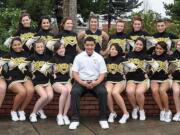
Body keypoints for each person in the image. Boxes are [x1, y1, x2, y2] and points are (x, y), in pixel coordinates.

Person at [69, 37, 109, 129]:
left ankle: (103, 119)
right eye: (87, 45)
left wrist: (96, 82)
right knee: (74, 92)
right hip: (81, 82)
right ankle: (75, 119)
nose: (89, 47)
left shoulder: (99, 57)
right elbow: (74, 73)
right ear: (84, 45)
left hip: (96, 82)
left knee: (103, 92)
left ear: (95, 45)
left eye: (91, 45)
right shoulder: (78, 57)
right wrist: (82, 83)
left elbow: (102, 73)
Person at [4, 37, 34, 121]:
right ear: (11, 46)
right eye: (15, 45)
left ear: (21, 44)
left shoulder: (27, 54)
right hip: (13, 79)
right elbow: (3, 68)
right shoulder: (8, 55)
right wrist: (6, 76)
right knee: (22, 92)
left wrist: (31, 75)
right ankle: (13, 111)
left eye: (19, 44)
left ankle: (21, 110)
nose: (17, 46)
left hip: (24, 77)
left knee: (31, 90)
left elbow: (31, 67)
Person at [125, 37, 151, 121]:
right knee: (130, 91)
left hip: (142, 79)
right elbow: (125, 67)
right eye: (137, 44)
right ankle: (135, 108)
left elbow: (154, 67)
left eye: (140, 45)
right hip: (131, 78)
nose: (138, 46)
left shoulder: (146, 56)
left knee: (139, 92)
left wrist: (148, 74)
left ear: (143, 46)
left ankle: (141, 110)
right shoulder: (129, 55)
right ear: (134, 44)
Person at [29, 39, 54, 122]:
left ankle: (39, 109)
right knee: (44, 96)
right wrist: (31, 75)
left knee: (50, 96)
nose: (40, 48)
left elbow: (51, 69)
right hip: (37, 81)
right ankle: (33, 114)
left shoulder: (48, 57)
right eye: (38, 47)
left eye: (42, 47)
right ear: (35, 48)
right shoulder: (32, 57)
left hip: (46, 80)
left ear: (44, 47)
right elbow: (25, 68)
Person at [105, 43, 129, 124]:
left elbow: (132, 68)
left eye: (115, 49)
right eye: (112, 49)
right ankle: (112, 113)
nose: (113, 51)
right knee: (108, 92)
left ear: (118, 51)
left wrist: (125, 72)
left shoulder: (122, 59)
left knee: (115, 92)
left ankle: (125, 113)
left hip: (120, 80)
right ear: (109, 50)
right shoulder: (106, 60)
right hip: (110, 80)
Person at [50, 41, 72, 125]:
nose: (61, 50)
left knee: (70, 91)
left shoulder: (68, 58)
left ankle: (65, 115)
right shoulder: (53, 59)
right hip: (56, 82)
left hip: (66, 81)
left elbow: (71, 71)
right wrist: (52, 74)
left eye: (63, 47)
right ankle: (59, 115)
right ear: (56, 50)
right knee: (65, 91)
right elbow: (45, 70)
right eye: (59, 48)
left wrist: (70, 79)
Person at [150, 41, 172, 122]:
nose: (158, 50)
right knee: (155, 91)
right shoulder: (152, 57)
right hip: (154, 79)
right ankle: (162, 110)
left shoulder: (168, 57)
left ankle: (167, 111)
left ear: (164, 49)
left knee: (162, 90)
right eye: (156, 48)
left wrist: (170, 71)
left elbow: (173, 67)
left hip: (165, 79)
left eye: (160, 49)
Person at [170, 40, 180, 121]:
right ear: (176, 46)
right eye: (178, 45)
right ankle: (178, 112)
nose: (179, 46)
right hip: (176, 79)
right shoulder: (173, 55)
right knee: (176, 91)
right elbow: (170, 70)